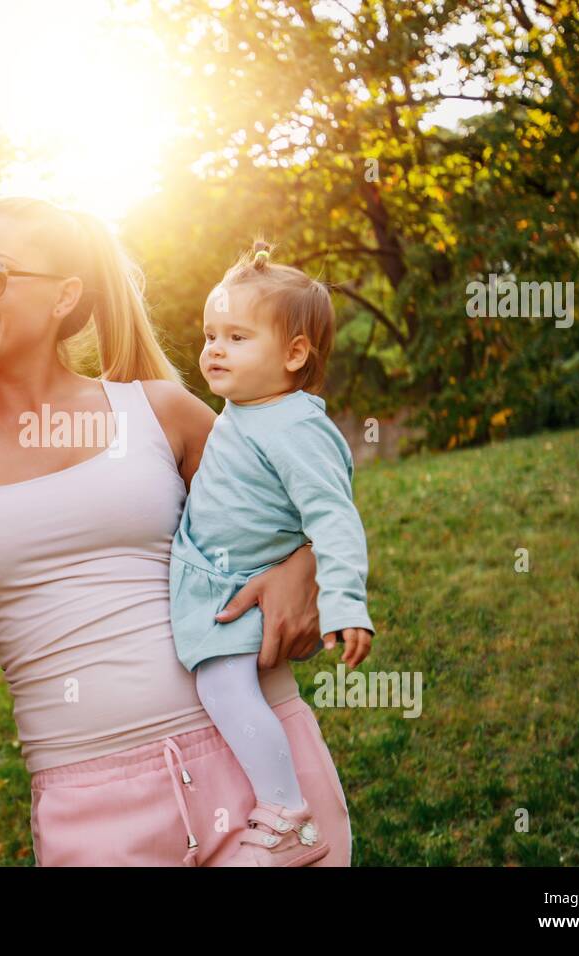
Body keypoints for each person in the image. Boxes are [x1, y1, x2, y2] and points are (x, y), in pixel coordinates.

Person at [0, 196, 369, 866]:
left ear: (65, 295)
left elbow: (299, 507)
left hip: (261, 780)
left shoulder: (161, 413)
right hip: (91, 808)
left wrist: (305, 567)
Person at [169, 240, 375, 865]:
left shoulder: (294, 427)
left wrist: (343, 603)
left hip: (240, 587)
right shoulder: (246, 409)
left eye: (236, 337)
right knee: (219, 686)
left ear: (293, 354)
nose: (214, 350)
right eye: (210, 335)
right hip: (217, 575)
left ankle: (285, 810)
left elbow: (334, 517)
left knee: (223, 687)